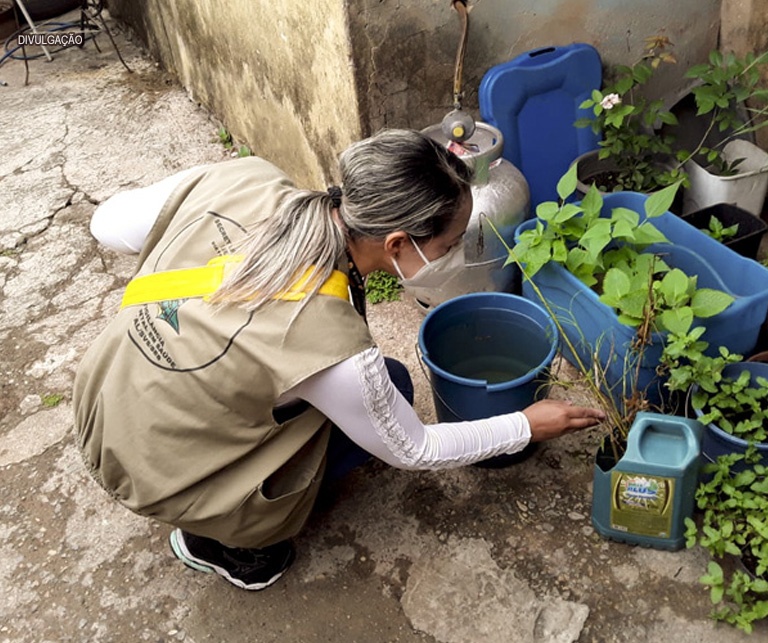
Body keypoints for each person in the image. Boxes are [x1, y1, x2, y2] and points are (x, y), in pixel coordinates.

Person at [72, 129, 605, 592]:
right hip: (147, 469)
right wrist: (523, 425)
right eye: (448, 244)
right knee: (383, 392)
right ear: (398, 244)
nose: (453, 256)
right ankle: (224, 542)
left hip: (105, 397)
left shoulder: (245, 178)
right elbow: (412, 449)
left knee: (387, 382)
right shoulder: (329, 341)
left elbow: (107, 223)